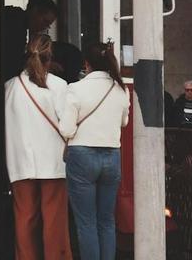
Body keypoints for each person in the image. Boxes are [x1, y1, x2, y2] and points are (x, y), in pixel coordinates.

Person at [59, 42, 131, 260]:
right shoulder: (121, 88)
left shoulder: (75, 89)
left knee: (86, 221)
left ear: (86, 64)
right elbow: (124, 122)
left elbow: (66, 128)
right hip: (112, 156)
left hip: (82, 156)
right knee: (107, 220)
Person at [4, 34, 72, 260]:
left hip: (20, 161)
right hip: (53, 161)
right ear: (50, 57)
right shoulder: (59, 86)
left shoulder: (10, 87)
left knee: (24, 218)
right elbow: (66, 126)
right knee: (53, 219)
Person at [1, 0, 59, 82]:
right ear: (35, 11)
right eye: (45, 21)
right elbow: (13, 60)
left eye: (48, 25)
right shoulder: (15, 24)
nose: (44, 27)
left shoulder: (19, 22)